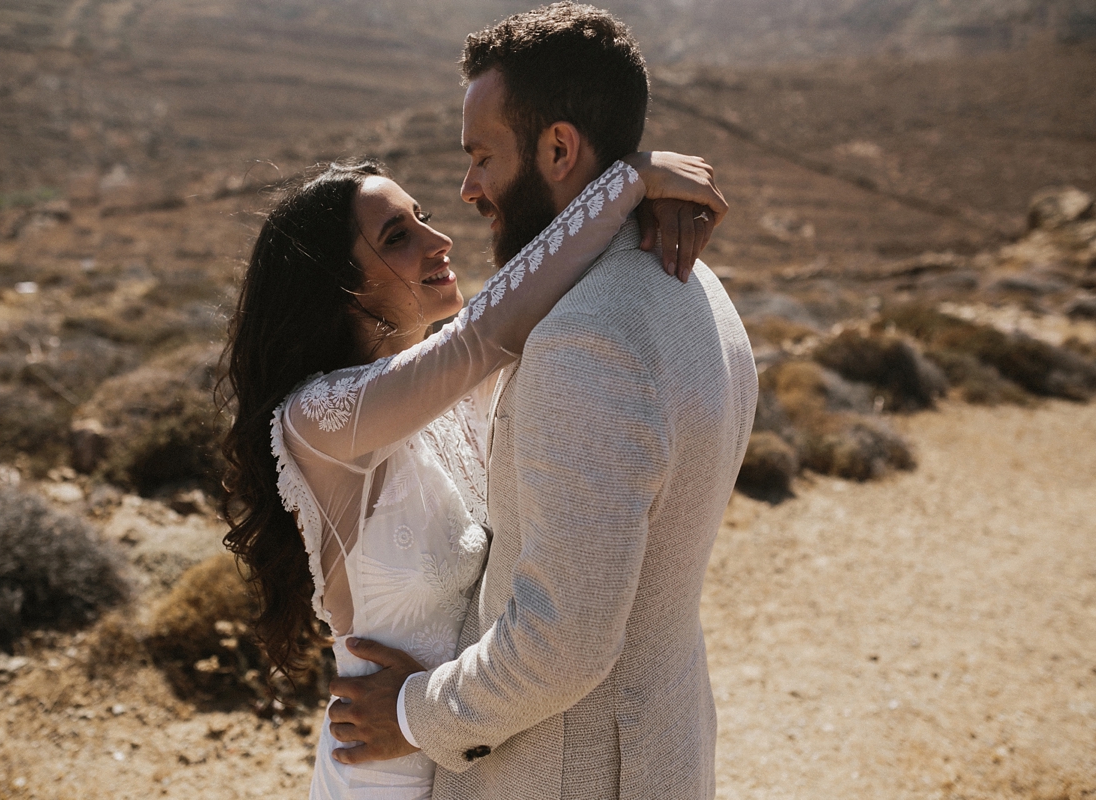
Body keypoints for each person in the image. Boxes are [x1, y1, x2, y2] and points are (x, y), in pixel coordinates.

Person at [324, 5, 759, 800]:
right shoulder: (698, 282)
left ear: (558, 148)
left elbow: (565, 639)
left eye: (483, 157)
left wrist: (415, 715)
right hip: (660, 740)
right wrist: (630, 187)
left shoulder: (585, 340)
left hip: (567, 771)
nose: (467, 189)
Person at [220, 142, 726, 798]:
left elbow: (542, 300)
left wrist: (650, 217)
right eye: (399, 236)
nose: (439, 240)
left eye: (425, 216)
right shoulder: (317, 420)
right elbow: (490, 330)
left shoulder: (459, 391)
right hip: (384, 770)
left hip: (471, 752)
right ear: (344, 286)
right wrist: (627, 180)